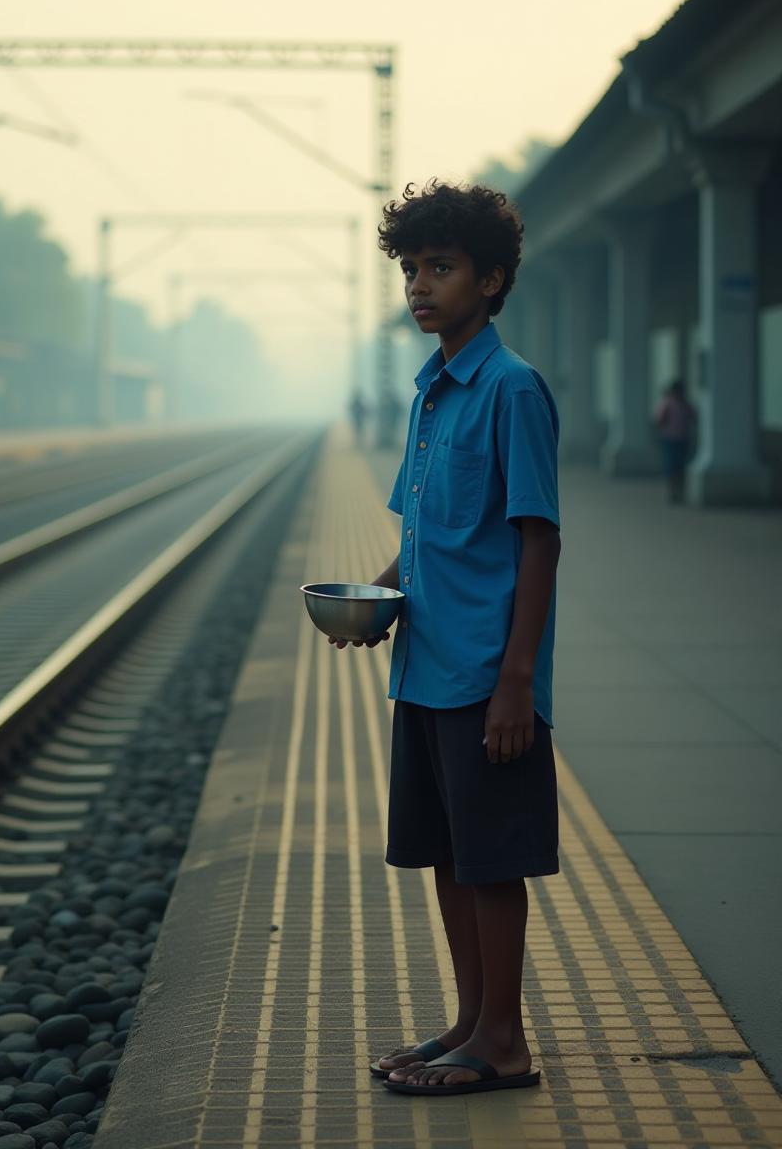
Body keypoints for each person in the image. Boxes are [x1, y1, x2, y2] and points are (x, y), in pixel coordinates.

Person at [328, 180, 561, 1096]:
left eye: (443, 268)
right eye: (412, 269)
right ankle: (468, 1021)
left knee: (494, 859)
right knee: (451, 853)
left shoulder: (511, 390)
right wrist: (371, 597)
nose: (421, 285)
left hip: (483, 676)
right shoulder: (431, 394)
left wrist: (517, 682)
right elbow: (425, 541)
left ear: (492, 279)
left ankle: (504, 1041)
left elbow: (537, 539)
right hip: (424, 667)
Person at [654, 378, 697, 504]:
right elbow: (659, 420)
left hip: (683, 439)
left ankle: (680, 492)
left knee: (680, 466)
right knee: (671, 466)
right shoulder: (667, 403)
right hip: (669, 439)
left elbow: (694, 417)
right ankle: (672, 492)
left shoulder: (685, 404)